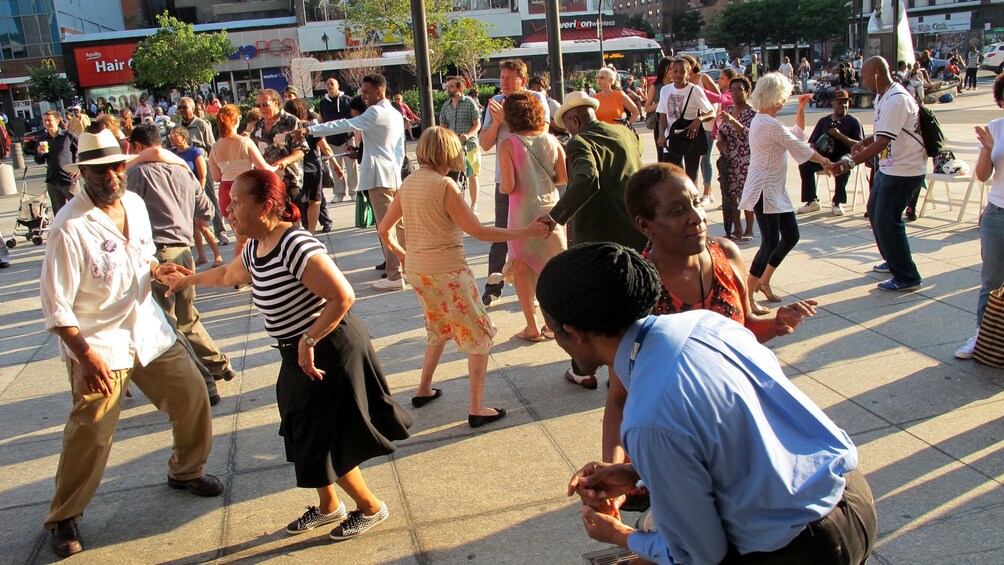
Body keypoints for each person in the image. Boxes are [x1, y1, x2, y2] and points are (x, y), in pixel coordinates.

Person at [545, 243, 877, 565]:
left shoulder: (649, 418)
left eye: (552, 328)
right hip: (853, 498)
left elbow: (700, 555)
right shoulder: (704, 323)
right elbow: (729, 440)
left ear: (574, 332)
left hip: (798, 548)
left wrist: (620, 535)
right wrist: (640, 473)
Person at [166, 168, 413, 541]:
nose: (228, 211)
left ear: (266, 206)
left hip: (329, 349)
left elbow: (343, 296)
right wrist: (188, 279)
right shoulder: (256, 245)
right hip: (298, 353)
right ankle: (330, 506)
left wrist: (310, 339)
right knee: (301, 432)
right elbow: (230, 275)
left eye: (236, 203)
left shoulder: (295, 245)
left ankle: (371, 507)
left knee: (324, 435)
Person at [40, 130, 223, 558]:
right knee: (92, 430)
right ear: (83, 173)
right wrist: (84, 356)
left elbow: (143, 257)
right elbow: (56, 306)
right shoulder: (68, 227)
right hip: (98, 342)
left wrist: (158, 270)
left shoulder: (136, 206)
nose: (111, 175)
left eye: (117, 166)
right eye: (100, 169)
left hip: (147, 328)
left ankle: (186, 470)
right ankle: (64, 517)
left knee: (193, 395)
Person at [602, 162, 818, 464]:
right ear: (644, 224)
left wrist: (777, 323)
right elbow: (620, 398)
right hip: (675, 446)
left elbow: (745, 331)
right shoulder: (636, 289)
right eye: (677, 211)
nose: (696, 218)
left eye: (696, 202)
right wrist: (611, 469)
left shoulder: (727, 255)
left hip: (742, 431)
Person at [377, 127, 550, 427]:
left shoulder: (409, 182)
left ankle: (423, 389)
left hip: (419, 272)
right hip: (448, 271)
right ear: (448, 151)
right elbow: (480, 232)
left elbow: (384, 230)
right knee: (481, 334)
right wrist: (527, 231)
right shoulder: (445, 185)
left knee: (439, 326)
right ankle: (476, 408)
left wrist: (402, 254)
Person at [539, 91, 647, 389]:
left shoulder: (579, 142)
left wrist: (556, 215)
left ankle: (583, 370)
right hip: (633, 230)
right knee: (629, 300)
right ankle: (629, 364)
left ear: (574, 120)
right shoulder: (626, 133)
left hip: (596, 236)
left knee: (587, 304)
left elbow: (587, 178)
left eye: (568, 126)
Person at [127, 124, 237, 388]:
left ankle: (204, 378)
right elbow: (207, 211)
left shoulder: (137, 173)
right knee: (187, 317)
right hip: (185, 251)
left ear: (138, 147)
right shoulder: (181, 170)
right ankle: (218, 364)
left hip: (159, 255)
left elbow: (124, 212)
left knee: (167, 322)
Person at [739, 73, 836, 310]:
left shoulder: (766, 121)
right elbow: (797, 146)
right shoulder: (766, 123)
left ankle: (764, 281)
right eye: (782, 97)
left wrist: (801, 109)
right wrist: (825, 161)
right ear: (774, 98)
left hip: (774, 188)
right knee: (770, 241)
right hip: (764, 187)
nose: (784, 101)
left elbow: (794, 136)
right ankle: (747, 296)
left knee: (791, 236)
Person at [302, 74, 407, 291]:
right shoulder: (395, 113)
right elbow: (400, 149)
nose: (363, 96)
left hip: (379, 177)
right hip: (392, 175)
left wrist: (311, 129)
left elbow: (344, 124)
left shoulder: (375, 111)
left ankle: (395, 274)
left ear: (380, 91)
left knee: (386, 229)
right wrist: (396, 170)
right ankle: (404, 268)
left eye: (366, 92)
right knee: (398, 227)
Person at [832, 56, 926, 291]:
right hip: (890, 167)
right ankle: (893, 259)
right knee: (875, 215)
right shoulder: (883, 96)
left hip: (905, 169)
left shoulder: (896, 99)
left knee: (887, 220)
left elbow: (884, 140)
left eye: (864, 77)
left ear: (876, 74)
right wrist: (864, 142)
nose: (862, 81)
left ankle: (907, 276)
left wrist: (851, 162)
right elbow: (884, 133)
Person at [478, 59, 551, 307]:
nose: (504, 83)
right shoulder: (495, 104)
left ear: (522, 79)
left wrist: (508, 120)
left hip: (534, 179)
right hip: (505, 181)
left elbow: (541, 133)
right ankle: (493, 286)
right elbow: (485, 143)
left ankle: (545, 285)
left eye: (510, 78)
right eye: (502, 78)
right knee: (501, 234)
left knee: (540, 234)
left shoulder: (536, 99)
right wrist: (498, 120)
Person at [497, 92, 568, 340]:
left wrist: (501, 187)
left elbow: (508, 185)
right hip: (552, 211)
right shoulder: (552, 141)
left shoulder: (507, 144)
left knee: (522, 265)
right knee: (554, 268)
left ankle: (532, 326)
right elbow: (563, 178)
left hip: (522, 213)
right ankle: (554, 323)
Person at [956, 74, 1004, 359]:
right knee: (992, 280)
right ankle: (982, 336)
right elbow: (983, 175)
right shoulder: (995, 129)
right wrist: (987, 149)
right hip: (997, 213)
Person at [207, 104, 277, 256]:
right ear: (236, 120)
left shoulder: (214, 148)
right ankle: (237, 272)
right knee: (246, 239)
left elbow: (216, 177)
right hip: (245, 188)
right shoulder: (245, 142)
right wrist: (279, 165)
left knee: (241, 237)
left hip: (226, 191)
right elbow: (264, 168)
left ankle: (242, 271)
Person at [163, 125, 224, 267]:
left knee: (201, 225)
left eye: (174, 134)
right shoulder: (171, 153)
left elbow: (202, 176)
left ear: (184, 137)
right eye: (170, 135)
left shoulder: (194, 152)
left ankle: (217, 255)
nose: (170, 137)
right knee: (192, 226)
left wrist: (199, 195)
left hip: (195, 194)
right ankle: (201, 256)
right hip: (180, 195)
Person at [797, 90, 864, 217]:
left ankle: (837, 202)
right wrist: (822, 161)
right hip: (825, 157)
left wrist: (840, 136)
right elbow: (812, 144)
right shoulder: (824, 121)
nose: (843, 105)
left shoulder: (853, 121)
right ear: (833, 104)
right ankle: (812, 201)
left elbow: (859, 145)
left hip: (844, 155)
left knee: (843, 164)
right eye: (839, 102)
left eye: (845, 103)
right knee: (804, 165)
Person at [285, 97, 342, 232]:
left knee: (297, 202)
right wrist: (336, 166)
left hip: (295, 169)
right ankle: (311, 233)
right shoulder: (311, 127)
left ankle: (297, 231)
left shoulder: (288, 128)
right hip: (313, 167)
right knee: (315, 201)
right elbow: (325, 148)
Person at [177, 96, 229, 245]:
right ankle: (191, 236)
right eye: (179, 108)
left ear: (192, 108)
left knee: (210, 199)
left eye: (184, 107)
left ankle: (220, 232)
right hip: (184, 169)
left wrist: (214, 166)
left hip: (202, 166)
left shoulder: (201, 125)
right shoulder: (177, 128)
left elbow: (211, 147)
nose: (181, 111)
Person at [657, 58, 715, 182]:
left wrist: (699, 119)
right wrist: (661, 134)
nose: (678, 74)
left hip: (690, 135)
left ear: (688, 73)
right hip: (672, 137)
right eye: (675, 71)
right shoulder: (665, 90)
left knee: (691, 174)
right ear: (670, 73)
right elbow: (663, 115)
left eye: (682, 72)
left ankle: (692, 198)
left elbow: (711, 112)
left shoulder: (695, 90)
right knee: (672, 174)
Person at [716, 75, 758, 244]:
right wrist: (720, 139)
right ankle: (737, 228)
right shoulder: (730, 111)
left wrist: (733, 121)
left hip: (746, 159)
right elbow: (722, 130)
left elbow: (749, 135)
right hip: (730, 159)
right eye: (731, 90)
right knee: (731, 195)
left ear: (747, 91)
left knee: (746, 195)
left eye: (739, 90)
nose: (734, 93)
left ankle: (749, 229)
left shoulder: (752, 114)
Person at [439, 76, 483, 214]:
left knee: (472, 175)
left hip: (469, 145)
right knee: (452, 176)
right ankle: (455, 206)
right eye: (447, 86)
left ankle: (474, 205)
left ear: (459, 88)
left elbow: (477, 124)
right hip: (452, 147)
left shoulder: (469, 103)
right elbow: (443, 126)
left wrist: (468, 135)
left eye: (451, 86)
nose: (448, 89)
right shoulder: (446, 106)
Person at [318, 77, 359, 202]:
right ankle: (339, 193)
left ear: (337, 86)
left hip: (347, 140)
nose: (330, 86)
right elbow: (321, 120)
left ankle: (354, 192)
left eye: (332, 84)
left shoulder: (347, 100)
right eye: (328, 84)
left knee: (352, 167)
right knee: (335, 168)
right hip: (331, 141)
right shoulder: (323, 103)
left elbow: (355, 117)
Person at [34, 110, 78, 215]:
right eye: (45, 121)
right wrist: (39, 153)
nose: (47, 123)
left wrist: (79, 168)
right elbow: (39, 161)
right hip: (52, 180)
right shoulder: (42, 139)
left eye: (49, 120)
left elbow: (82, 150)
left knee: (78, 210)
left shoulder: (68, 135)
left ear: (57, 121)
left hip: (68, 179)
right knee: (59, 214)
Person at [645, 57, 674, 163]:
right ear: (663, 69)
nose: (672, 72)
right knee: (662, 154)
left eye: (673, 69)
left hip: (675, 123)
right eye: (669, 69)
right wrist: (660, 104)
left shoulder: (677, 85)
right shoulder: (656, 86)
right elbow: (647, 108)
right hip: (660, 124)